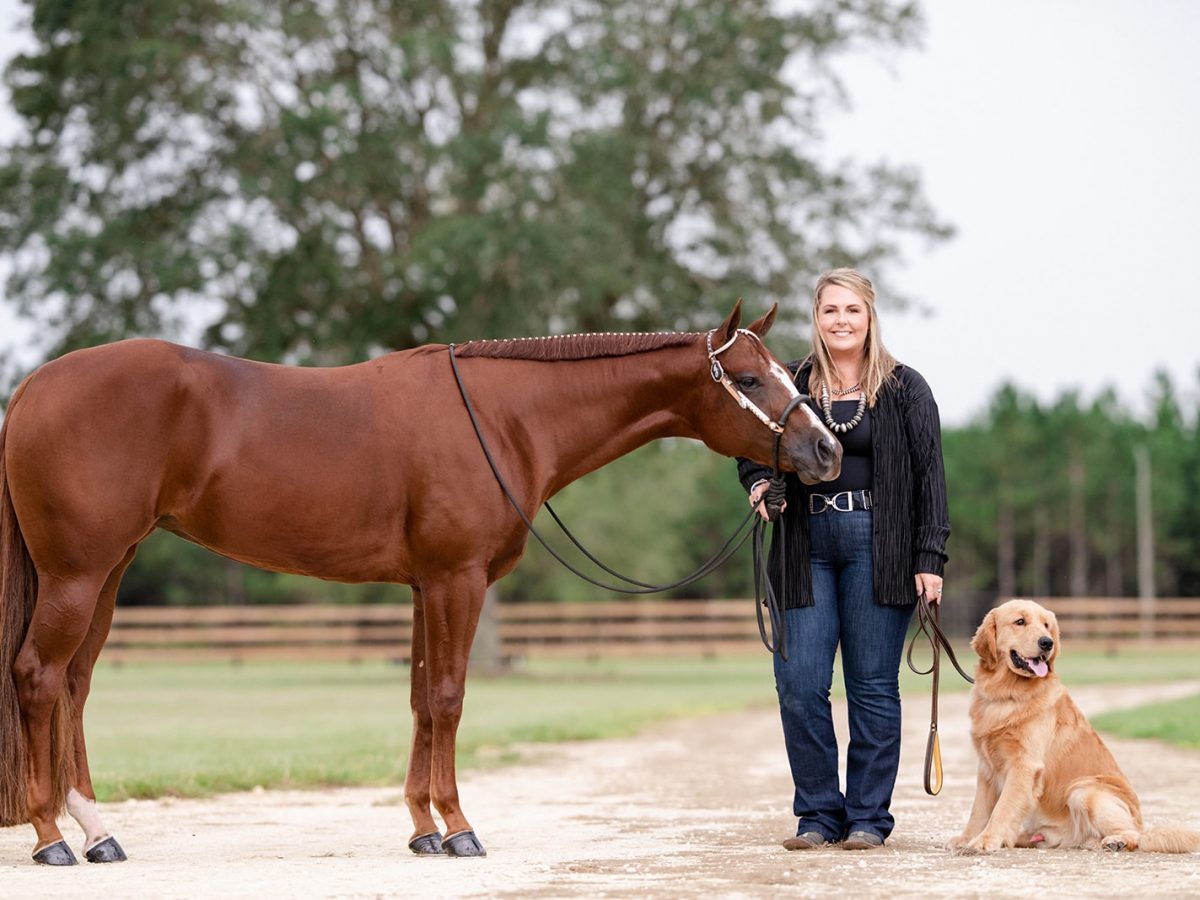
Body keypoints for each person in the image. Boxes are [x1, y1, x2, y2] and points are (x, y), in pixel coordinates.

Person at [737, 268, 949, 851]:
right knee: (800, 685)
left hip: (882, 545)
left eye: (852, 309)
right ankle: (817, 816)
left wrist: (930, 557)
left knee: (872, 687)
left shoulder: (905, 387)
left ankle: (867, 820)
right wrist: (758, 482)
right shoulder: (790, 379)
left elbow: (930, 477)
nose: (841, 320)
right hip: (803, 542)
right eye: (831, 310)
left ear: (870, 316)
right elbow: (749, 437)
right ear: (817, 316)